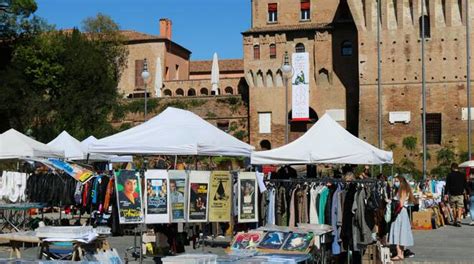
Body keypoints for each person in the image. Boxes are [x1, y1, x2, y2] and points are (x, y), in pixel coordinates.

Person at [389, 175, 415, 261]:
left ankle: (400, 253)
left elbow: (401, 203)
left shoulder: (403, 190)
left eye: (396, 181)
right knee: (401, 232)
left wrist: (394, 212)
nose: (395, 182)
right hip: (401, 212)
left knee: (398, 232)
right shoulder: (402, 189)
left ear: (400, 181)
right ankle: (400, 253)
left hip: (400, 212)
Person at [445, 163, 468, 227]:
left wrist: (445, 194)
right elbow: (465, 185)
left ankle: (455, 220)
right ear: (457, 168)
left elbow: (447, 185)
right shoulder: (462, 175)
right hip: (460, 194)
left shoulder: (449, 175)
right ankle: (459, 220)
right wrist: (468, 192)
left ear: (452, 168)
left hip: (452, 194)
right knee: (460, 207)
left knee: (453, 207)